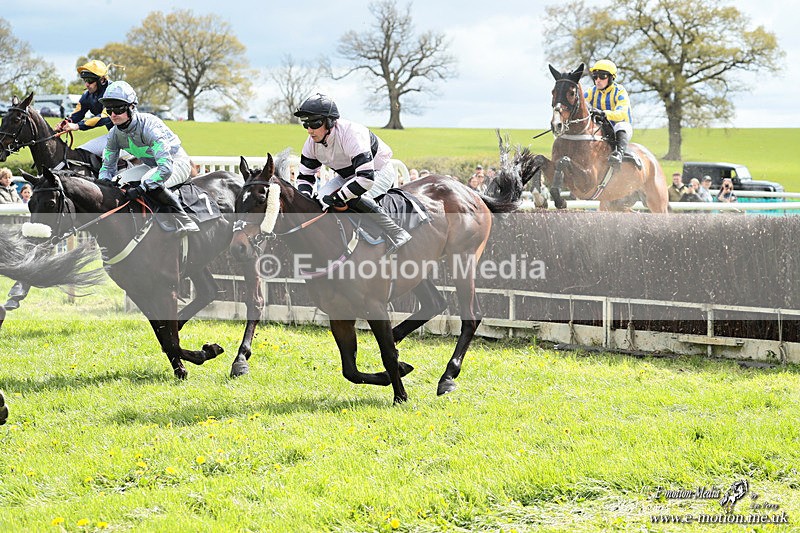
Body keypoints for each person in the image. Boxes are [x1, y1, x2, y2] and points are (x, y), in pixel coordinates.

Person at [293, 93, 410, 255]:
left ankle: (397, 232)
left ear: (329, 122)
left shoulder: (352, 134)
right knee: (318, 202)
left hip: (378, 172)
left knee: (353, 197)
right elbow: (305, 177)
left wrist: (339, 197)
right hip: (348, 177)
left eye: (315, 123)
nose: (310, 130)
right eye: (306, 124)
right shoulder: (311, 144)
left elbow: (366, 179)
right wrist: (304, 199)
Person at [97, 81, 199, 233]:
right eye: (109, 109)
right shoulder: (114, 134)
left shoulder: (150, 127)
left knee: (149, 181)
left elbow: (165, 168)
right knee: (114, 183)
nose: (112, 114)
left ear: (131, 107)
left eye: (118, 109)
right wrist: (104, 183)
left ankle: (185, 219)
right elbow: (107, 167)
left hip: (175, 163)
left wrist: (142, 188)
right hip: (151, 165)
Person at [55, 60, 115, 159]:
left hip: (132, 138)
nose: (86, 84)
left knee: (107, 156)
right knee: (80, 153)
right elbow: (77, 115)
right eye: (85, 80)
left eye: (90, 80)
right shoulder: (87, 96)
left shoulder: (113, 91)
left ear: (102, 80)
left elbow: (105, 117)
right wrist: (65, 123)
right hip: (114, 136)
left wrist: (77, 126)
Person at [585, 59, 634, 168]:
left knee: (621, 125)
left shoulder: (620, 91)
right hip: (600, 127)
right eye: (595, 77)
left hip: (618, 127)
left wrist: (603, 113)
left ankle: (618, 154)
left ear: (612, 78)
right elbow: (582, 105)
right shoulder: (590, 91)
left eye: (602, 76)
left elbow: (621, 114)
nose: (598, 80)